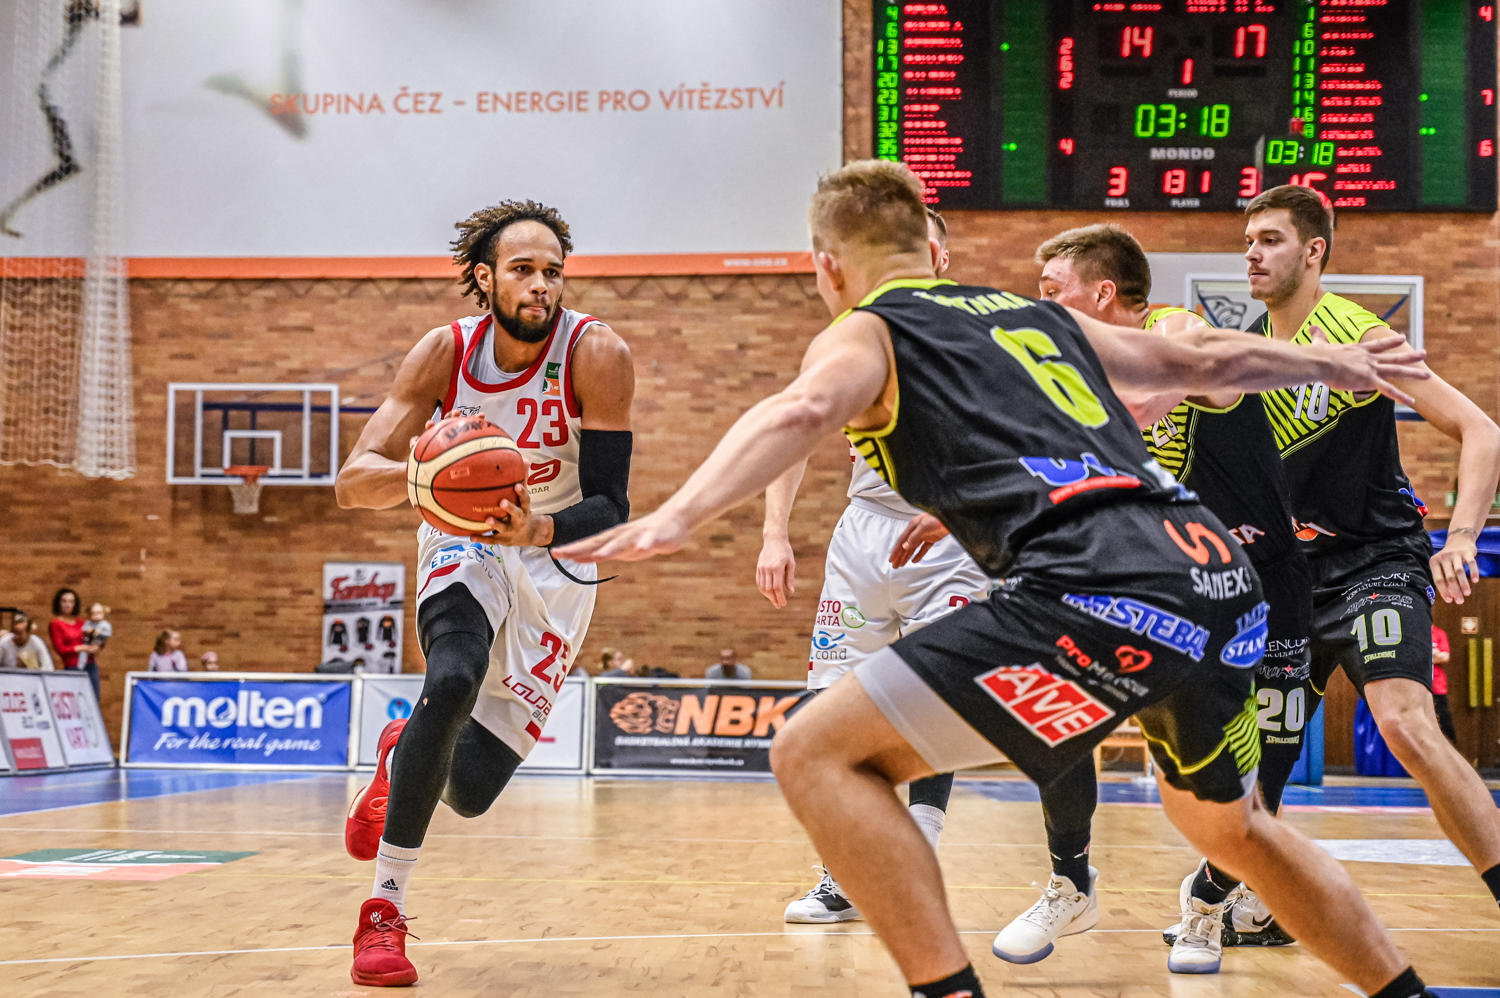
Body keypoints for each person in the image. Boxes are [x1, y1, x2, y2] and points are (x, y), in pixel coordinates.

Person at [558, 160, 1440, 998]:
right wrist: (1337, 364)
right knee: (1232, 831)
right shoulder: (1029, 317)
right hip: (1213, 576)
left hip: (1096, 584)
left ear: (828, 266)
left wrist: (677, 517)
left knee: (811, 751)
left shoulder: (869, 326)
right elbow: (1202, 359)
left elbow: (803, 409)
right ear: (927, 246)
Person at [990, 223, 1309, 972]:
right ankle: (1071, 882)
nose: (1040, 305)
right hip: (1160, 583)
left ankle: (1208, 905)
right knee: (1054, 704)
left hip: (1260, 576)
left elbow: (1172, 375)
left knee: (1259, 769)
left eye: (1052, 291)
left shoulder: (1172, 327)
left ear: (1104, 293)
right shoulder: (1070, 372)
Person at [334, 200, 635, 987]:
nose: (541, 286)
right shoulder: (445, 352)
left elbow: (612, 506)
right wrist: (429, 478)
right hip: (463, 538)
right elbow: (352, 482)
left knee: (469, 790)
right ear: (484, 277)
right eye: (523, 270)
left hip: (556, 554)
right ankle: (384, 911)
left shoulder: (596, 354)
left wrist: (538, 528)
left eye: (553, 272)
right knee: (453, 678)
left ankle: (401, 750)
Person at [1245, 184, 1500, 912]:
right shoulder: (1251, 353)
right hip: (1290, 579)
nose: (1253, 255)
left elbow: (1482, 430)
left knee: (1405, 723)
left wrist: (1461, 536)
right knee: (1256, 763)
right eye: (1249, 242)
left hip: (1375, 560)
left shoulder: (1358, 336)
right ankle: (1254, 904)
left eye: (1270, 240)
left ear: (1314, 250)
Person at [758, 208, 990, 925]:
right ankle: (844, 875)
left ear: (940, 257)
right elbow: (793, 435)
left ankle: (918, 853)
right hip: (864, 532)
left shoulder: (981, 333)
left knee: (933, 694)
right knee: (829, 704)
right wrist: (773, 534)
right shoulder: (851, 337)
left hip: (948, 536)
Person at [78, 603, 111, 701]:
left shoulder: (105, 624)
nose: (96, 616)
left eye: (99, 613)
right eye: (93, 613)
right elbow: (84, 631)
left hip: (96, 641)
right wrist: (89, 632)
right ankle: (80, 665)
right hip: (87, 644)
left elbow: (105, 634)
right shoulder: (88, 623)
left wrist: (95, 634)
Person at [1431, 626, 1457, 745]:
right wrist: (1434, 654)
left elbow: (1445, 657)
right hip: (1419, 685)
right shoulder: (1414, 632)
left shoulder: (1439, 633)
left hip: (1437, 686)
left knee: (1444, 718)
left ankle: (1451, 746)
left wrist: (1426, 656)